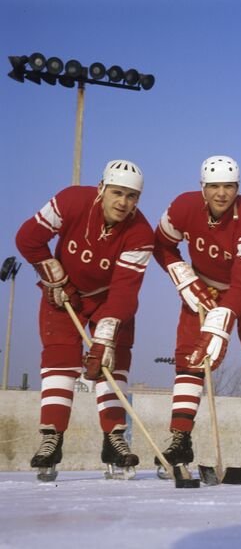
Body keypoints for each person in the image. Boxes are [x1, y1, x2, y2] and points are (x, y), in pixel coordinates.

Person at [153, 155, 241, 473]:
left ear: (237, 188)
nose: (221, 193)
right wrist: (183, 276)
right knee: (191, 357)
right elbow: (160, 244)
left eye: (228, 186)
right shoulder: (182, 208)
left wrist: (221, 321)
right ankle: (180, 438)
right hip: (203, 290)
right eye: (214, 186)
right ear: (202, 188)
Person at [16, 160, 154, 481]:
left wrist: (105, 337)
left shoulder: (141, 233)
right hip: (65, 295)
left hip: (110, 300)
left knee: (111, 362)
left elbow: (124, 291)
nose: (123, 202)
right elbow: (27, 239)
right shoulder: (70, 201)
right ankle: (52, 437)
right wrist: (53, 274)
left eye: (132, 197)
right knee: (59, 359)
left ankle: (114, 437)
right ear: (101, 189)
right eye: (117, 193)